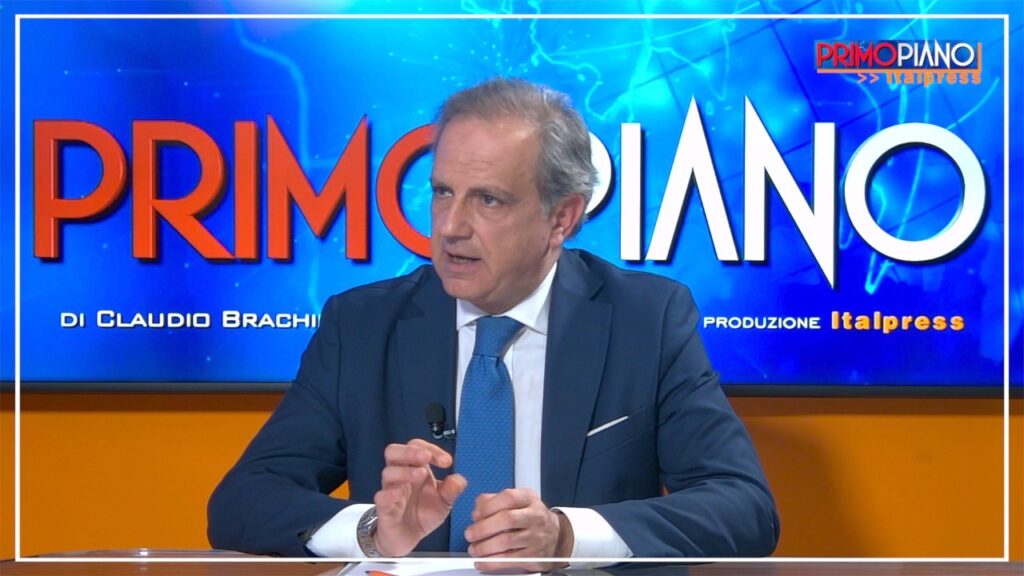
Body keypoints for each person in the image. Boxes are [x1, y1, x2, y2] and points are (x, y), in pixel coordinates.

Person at [207, 78, 779, 569]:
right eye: (443, 193)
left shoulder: (645, 320)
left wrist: (565, 536)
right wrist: (374, 531)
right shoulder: (361, 325)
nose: (450, 226)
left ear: (562, 218)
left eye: (489, 200)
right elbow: (241, 503)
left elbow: (744, 508)